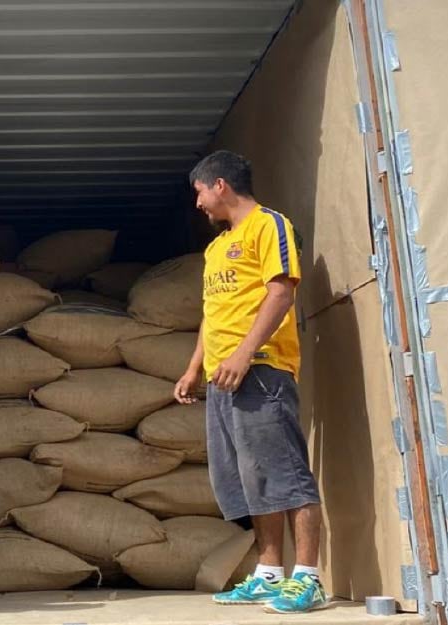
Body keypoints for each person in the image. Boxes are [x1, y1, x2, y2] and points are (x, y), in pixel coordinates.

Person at [174, 150, 326, 613]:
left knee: (286, 474)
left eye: (198, 193)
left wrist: (244, 354)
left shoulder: (269, 225)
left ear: (219, 185)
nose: (197, 204)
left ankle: (309, 579)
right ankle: (268, 574)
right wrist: (194, 366)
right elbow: (212, 313)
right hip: (223, 377)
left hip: (261, 369)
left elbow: (281, 291)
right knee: (252, 479)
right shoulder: (217, 247)